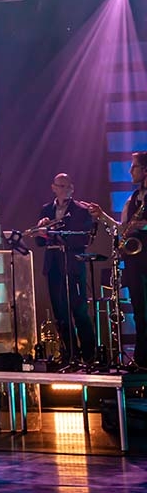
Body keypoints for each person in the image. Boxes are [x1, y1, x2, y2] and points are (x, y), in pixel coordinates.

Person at [87, 151, 147, 369]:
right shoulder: (133, 198)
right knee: (139, 311)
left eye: (134, 166)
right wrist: (102, 216)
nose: (130, 171)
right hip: (135, 262)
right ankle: (142, 359)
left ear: (145, 170)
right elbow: (122, 229)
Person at [34, 174, 96, 366]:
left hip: (73, 264)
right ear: (53, 187)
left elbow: (82, 238)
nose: (64, 189)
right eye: (60, 186)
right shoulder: (46, 210)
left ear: (72, 188)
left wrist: (52, 233)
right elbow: (39, 242)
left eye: (67, 186)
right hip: (53, 265)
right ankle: (70, 355)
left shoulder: (80, 210)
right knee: (60, 313)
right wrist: (41, 230)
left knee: (79, 311)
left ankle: (89, 356)